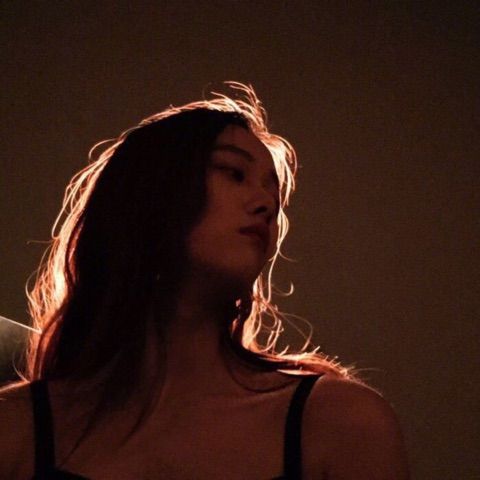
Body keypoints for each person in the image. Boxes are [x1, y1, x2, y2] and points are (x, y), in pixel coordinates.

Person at [0, 81, 410, 479]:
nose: (266, 204)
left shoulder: (339, 426)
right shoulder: (17, 431)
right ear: (149, 191)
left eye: (274, 195)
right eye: (234, 173)